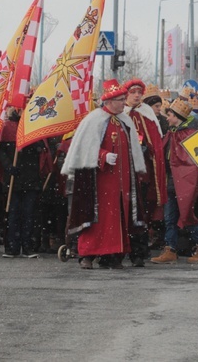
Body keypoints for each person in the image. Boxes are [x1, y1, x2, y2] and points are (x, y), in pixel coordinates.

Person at [62, 79, 147, 270]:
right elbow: (85, 148)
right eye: (120, 100)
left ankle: (114, 255)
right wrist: (101, 156)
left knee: (119, 218)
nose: (124, 103)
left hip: (122, 184)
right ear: (109, 101)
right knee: (95, 218)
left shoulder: (125, 122)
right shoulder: (93, 120)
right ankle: (87, 255)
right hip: (99, 183)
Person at [150, 99, 198, 264]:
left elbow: (193, 163)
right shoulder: (172, 133)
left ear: (177, 116)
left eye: (169, 115)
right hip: (171, 181)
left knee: (187, 215)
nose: (167, 118)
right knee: (170, 217)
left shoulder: (190, 134)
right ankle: (170, 249)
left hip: (185, 183)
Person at [0, 104, 52, 258]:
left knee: (29, 213)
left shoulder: (35, 126)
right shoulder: (7, 127)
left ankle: (28, 246)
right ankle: (12, 247)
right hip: (13, 178)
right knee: (12, 213)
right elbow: (0, 150)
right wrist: (8, 166)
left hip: (31, 177)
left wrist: (36, 143)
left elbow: (43, 149)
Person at [124, 79, 166, 266]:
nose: (137, 95)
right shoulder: (119, 114)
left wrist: (144, 148)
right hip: (122, 173)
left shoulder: (147, 113)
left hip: (142, 173)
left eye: (139, 92)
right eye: (133, 92)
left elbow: (156, 144)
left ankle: (139, 251)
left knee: (139, 213)